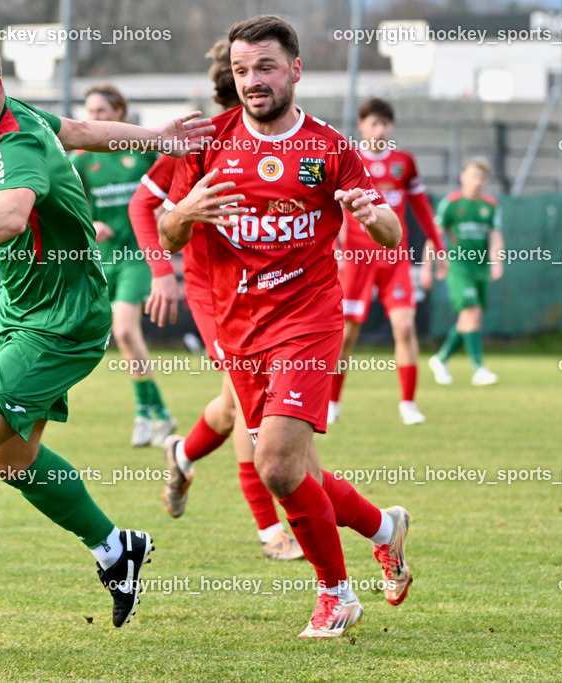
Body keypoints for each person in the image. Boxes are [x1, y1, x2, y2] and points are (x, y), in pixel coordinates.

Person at [0, 29, 213, 655]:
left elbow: (6, 215)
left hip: (59, 324)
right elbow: (78, 131)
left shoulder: (14, 141)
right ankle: (117, 548)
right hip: (24, 309)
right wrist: (156, 139)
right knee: (9, 460)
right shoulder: (19, 117)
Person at [158, 15, 414, 638]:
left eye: (265, 68)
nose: (253, 81)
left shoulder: (330, 147)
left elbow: (391, 231)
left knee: (274, 464)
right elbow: (168, 230)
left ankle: (336, 594)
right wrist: (184, 212)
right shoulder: (207, 143)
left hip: (308, 321)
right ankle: (385, 528)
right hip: (239, 329)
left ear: (295, 70)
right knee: (303, 474)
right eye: (242, 71)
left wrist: (369, 212)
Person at [129, 39, 302, 561]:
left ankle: (181, 454)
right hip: (217, 295)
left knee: (232, 408)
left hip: (274, 298)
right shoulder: (205, 138)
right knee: (252, 411)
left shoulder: (294, 138)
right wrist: (163, 273)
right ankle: (270, 530)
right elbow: (145, 206)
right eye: (244, 81)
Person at [329, 98, 447, 426]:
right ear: (362, 125)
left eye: (384, 123)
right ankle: (332, 403)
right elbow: (331, 209)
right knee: (346, 334)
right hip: (356, 259)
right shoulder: (348, 160)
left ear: (390, 126)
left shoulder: (403, 162)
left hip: (394, 256)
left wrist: (438, 247)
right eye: (372, 123)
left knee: (405, 328)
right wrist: (335, 250)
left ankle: (408, 404)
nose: (378, 129)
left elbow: (421, 207)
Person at [72, 85, 175, 447]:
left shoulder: (143, 151)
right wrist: (91, 225)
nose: (93, 118)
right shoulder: (83, 160)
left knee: (127, 332)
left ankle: (146, 414)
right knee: (121, 339)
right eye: (89, 111)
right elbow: (71, 206)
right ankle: (155, 412)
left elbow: (170, 192)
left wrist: (161, 215)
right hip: (103, 259)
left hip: (138, 256)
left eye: (101, 111)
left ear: (119, 112)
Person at [426, 158, 503, 386]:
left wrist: (497, 261)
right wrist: (427, 268)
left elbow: (495, 235)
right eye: (472, 176)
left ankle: (441, 359)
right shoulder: (451, 204)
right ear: (463, 177)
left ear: (485, 181)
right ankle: (479, 369)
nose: (476, 181)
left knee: (468, 318)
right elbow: (434, 236)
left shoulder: (490, 205)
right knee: (472, 312)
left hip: (480, 267)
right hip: (458, 266)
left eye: (481, 177)